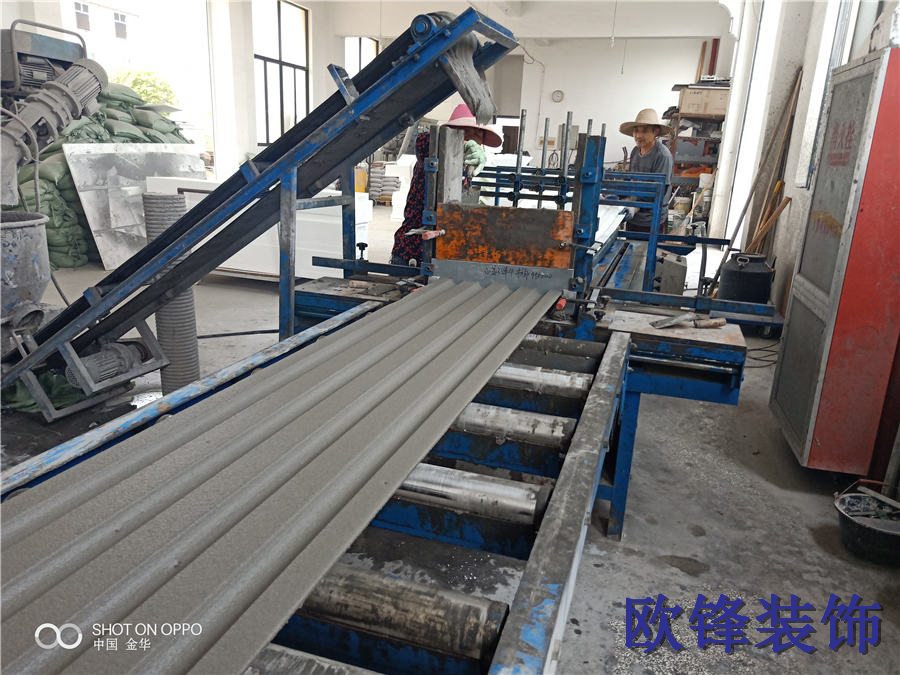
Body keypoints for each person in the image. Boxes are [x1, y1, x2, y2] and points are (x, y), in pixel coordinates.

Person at [390, 104, 502, 266]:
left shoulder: (463, 172)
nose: (471, 138)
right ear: (449, 132)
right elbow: (424, 141)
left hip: (442, 253)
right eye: (465, 132)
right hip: (412, 252)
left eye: (477, 134)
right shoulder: (431, 155)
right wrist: (461, 146)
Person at [619, 108, 674, 233]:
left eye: (644, 131)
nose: (638, 135)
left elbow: (660, 191)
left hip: (652, 220)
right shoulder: (635, 151)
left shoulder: (662, 156)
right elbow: (631, 180)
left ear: (656, 132)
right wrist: (618, 197)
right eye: (636, 130)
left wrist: (636, 207)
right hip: (633, 217)